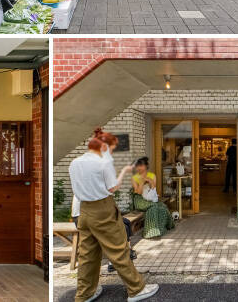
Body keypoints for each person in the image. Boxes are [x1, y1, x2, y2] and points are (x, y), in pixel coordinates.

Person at [69, 128, 159, 302]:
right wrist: (124, 172)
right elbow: (112, 188)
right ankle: (136, 289)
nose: (111, 152)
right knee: (119, 250)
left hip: (83, 210)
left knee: (87, 254)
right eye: (111, 148)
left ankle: (85, 294)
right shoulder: (103, 163)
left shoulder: (75, 162)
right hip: (102, 208)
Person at [131, 157, 175, 239]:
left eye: (141, 165)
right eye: (137, 166)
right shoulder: (134, 178)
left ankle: (161, 229)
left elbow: (153, 189)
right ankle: (151, 232)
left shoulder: (152, 175)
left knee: (162, 206)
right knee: (154, 207)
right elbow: (138, 192)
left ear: (146, 166)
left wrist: (150, 181)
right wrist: (141, 182)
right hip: (139, 199)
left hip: (150, 198)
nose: (139, 168)